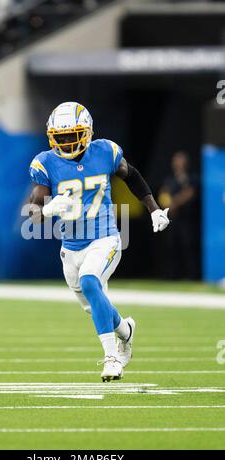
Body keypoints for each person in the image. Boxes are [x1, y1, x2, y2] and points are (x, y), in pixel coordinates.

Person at [28, 102, 170, 382]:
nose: (67, 142)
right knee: (96, 305)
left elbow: (133, 176)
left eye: (73, 135)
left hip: (105, 238)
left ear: (88, 132)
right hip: (70, 249)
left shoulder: (105, 151)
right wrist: (46, 209)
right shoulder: (45, 163)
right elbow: (32, 213)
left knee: (91, 282)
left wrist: (154, 209)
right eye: (62, 136)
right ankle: (126, 331)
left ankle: (111, 358)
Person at [158, 151, 198, 279]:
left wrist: (174, 203)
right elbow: (163, 195)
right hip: (172, 220)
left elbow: (189, 193)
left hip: (187, 220)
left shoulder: (191, 178)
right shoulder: (169, 180)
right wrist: (168, 206)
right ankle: (171, 276)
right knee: (170, 248)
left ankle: (191, 276)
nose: (177, 163)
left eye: (179, 160)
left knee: (188, 248)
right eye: (175, 161)